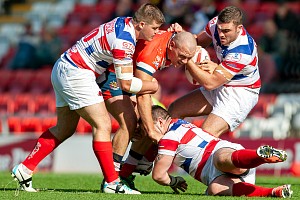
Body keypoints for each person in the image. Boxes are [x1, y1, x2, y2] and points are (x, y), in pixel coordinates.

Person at [11, 3, 165, 195]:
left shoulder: (122, 22)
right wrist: (153, 86)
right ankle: (111, 183)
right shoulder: (125, 41)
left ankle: (24, 169)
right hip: (77, 73)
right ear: (142, 24)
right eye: (155, 29)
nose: (157, 33)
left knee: (64, 129)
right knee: (103, 125)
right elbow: (126, 84)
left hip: (63, 67)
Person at [97, 30, 197, 178]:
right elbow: (142, 94)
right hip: (111, 75)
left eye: (188, 58)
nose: (184, 62)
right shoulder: (153, 53)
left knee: (63, 130)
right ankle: (112, 179)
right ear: (172, 45)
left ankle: (127, 173)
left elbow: (185, 38)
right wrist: (150, 131)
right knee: (132, 122)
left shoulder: (173, 43)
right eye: (182, 56)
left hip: (125, 77)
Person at [150, 105, 293, 198]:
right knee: (215, 189)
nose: (148, 132)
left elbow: (158, 175)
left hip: (218, 153)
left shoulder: (169, 136)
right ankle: (274, 192)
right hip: (219, 171)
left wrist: (174, 181)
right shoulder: (181, 123)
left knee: (220, 160)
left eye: (149, 126)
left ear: (161, 122)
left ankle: (260, 156)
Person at [168, 6, 260, 138]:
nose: (221, 34)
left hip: (240, 93)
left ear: (239, 28)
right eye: (220, 29)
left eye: (226, 31)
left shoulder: (242, 52)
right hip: (221, 82)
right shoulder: (215, 23)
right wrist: (182, 35)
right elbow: (198, 42)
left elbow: (210, 83)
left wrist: (187, 59)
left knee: (204, 136)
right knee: (174, 110)